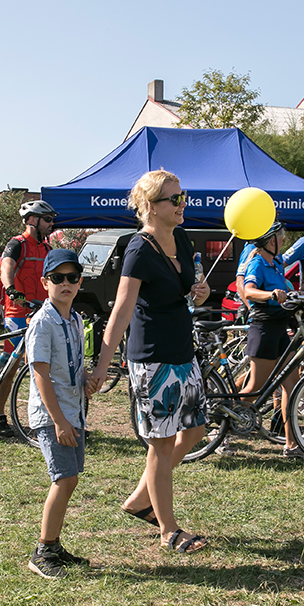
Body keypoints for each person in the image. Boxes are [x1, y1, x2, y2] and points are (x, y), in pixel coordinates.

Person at [88, 170, 210, 555]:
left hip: (183, 353)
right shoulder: (139, 248)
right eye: (173, 199)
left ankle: (141, 498)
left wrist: (202, 293)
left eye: (182, 195)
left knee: (195, 431)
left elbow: (189, 293)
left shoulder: (182, 237)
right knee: (160, 444)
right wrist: (103, 364)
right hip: (153, 359)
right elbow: (121, 310)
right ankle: (168, 530)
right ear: (150, 207)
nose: (181, 204)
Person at [25, 249, 92, 578]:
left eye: (72, 277)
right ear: (45, 282)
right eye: (57, 278)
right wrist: (59, 421)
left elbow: (69, 366)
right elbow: (41, 375)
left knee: (70, 478)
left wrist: (86, 381)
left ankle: (53, 544)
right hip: (54, 415)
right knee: (63, 478)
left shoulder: (75, 319)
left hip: (72, 411)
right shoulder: (43, 322)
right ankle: (43, 550)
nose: (66, 283)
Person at [241, 222, 304, 457]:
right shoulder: (257, 263)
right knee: (255, 389)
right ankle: (220, 427)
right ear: (271, 242)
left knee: (292, 386)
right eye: (282, 237)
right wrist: (271, 294)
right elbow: (248, 291)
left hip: (279, 328)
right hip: (264, 328)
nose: (285, 239)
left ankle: (291, 444)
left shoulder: (276, 263)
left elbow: (283, 289)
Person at [0, 200, 56, 437]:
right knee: (11, 366)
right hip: (17, 312)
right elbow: (6, 268)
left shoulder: (47, 249)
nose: (52, 224)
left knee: (42, 366)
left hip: (41, 313)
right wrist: (10, 288)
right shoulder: (16, 244)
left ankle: (47, 420)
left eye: (52, 219)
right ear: (32, 220)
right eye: (47, 219)